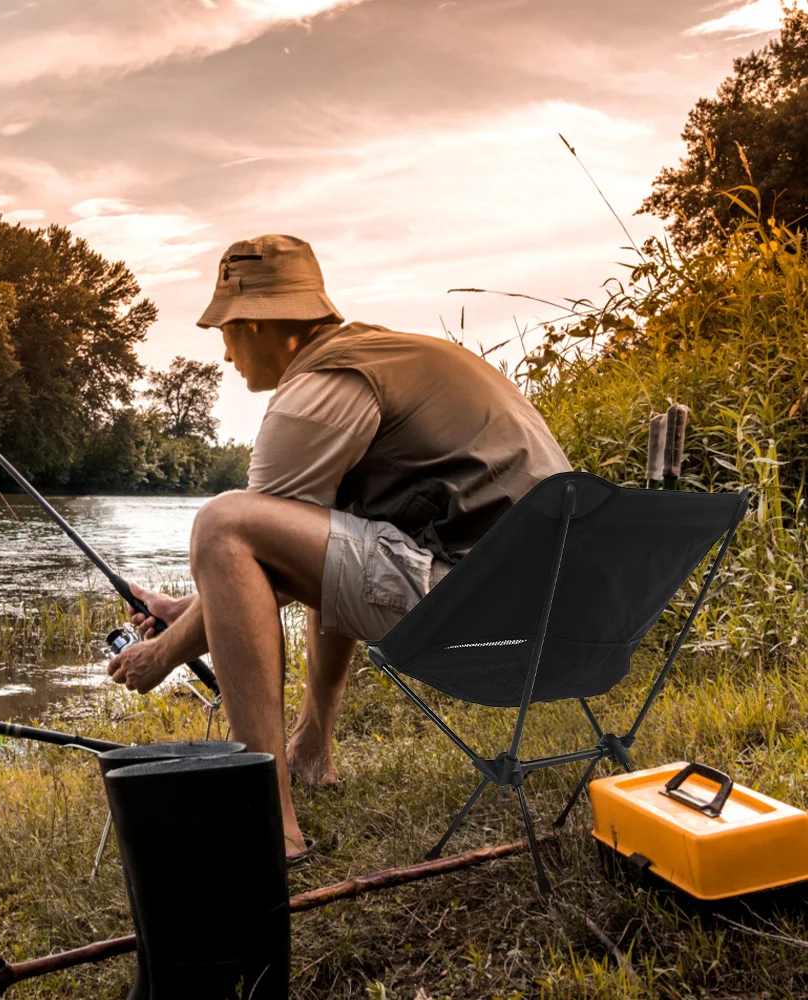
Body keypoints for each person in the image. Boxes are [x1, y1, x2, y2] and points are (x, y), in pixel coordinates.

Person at [107, 234, 571, 860]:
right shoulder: (394, 355)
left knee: (223, 522)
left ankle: (271, 825)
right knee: (328, 519)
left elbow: (243, 549)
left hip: (481, 607)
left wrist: (161, 653)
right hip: (557, 605)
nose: (223, 351)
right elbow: (285, 559)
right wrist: (187, 606)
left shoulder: (321, 387)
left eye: (228, 327)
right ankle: (311, 751)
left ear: (262, 323)